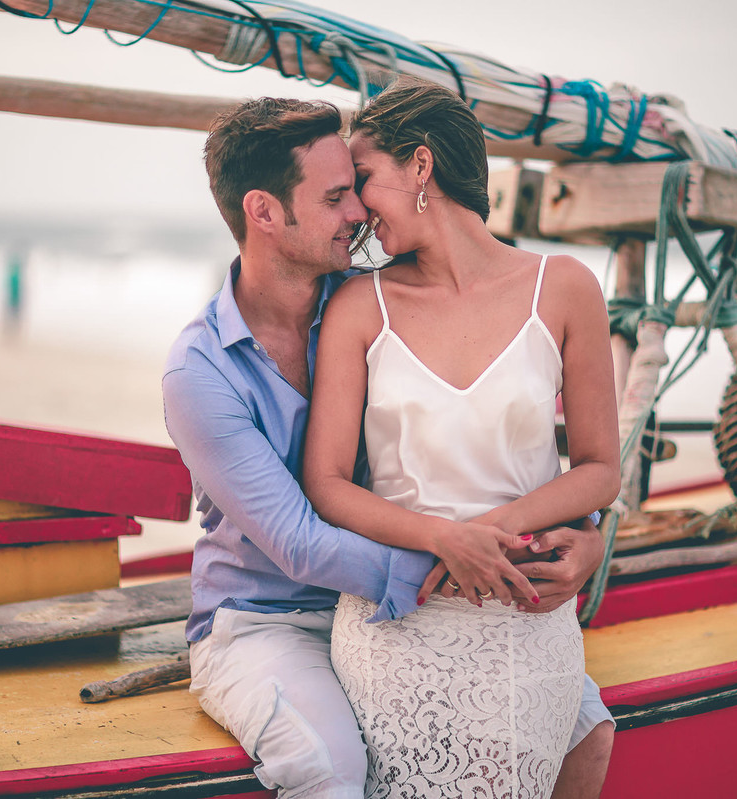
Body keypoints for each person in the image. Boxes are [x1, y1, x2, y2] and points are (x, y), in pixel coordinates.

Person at [163, 95, 614, 799]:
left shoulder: (359, 289)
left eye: (358, 186)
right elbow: (303, 539)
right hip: (271, 616)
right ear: (264, 212)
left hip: (429, 586)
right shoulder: (201, 372)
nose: (356, 214)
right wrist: (457, 558)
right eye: (338, 195)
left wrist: (584, 538)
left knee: (588, 726)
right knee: (330, 769)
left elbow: (496, 450)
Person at [302, 77, 621, 797]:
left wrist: (489, 532)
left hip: (524, 614)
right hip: (401, 619)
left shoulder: (565, 287)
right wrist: (441, 539)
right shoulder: (360, 305)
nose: (354, 210)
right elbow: (326, 483)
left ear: (421, 166)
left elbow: (601, 468)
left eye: (364, 181)